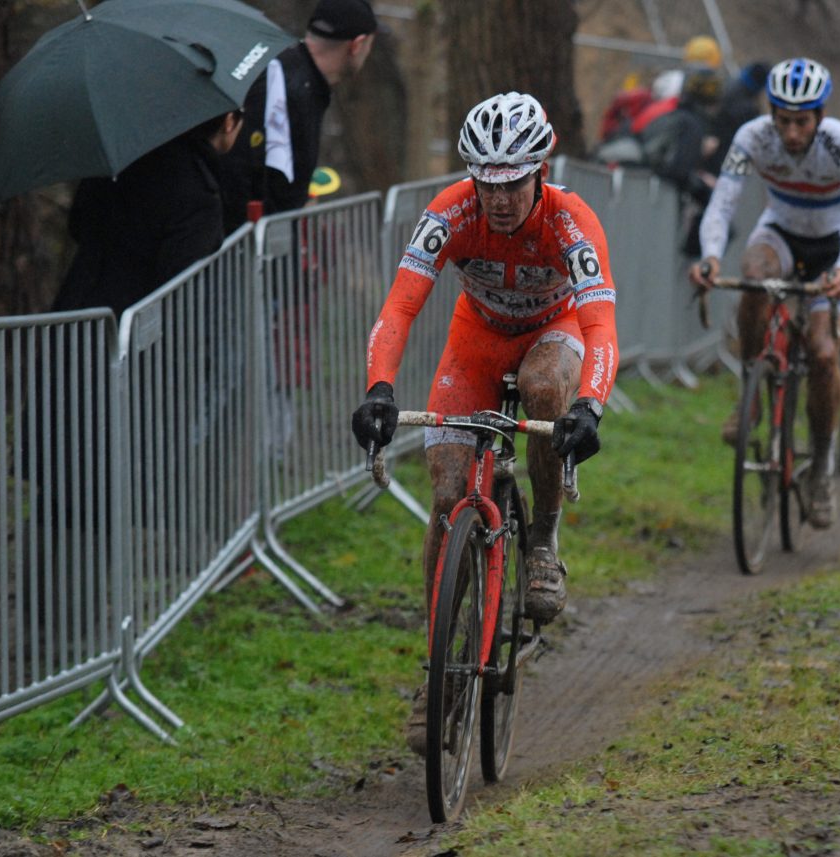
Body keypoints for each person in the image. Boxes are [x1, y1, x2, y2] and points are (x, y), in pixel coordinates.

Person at [350, 92, 619, 754]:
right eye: (487, 181)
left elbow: (600, 324)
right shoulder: (451, 212)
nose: (498, 198)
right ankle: (438, 668)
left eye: (513, 182)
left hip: (551, 334)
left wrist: (591, 403)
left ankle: (544, 542)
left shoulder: (571, 221)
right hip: (476, 337)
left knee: (542, 388)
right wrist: (379, 387)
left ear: (541, 171)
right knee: (447, 493)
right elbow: (400, 305)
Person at [689, 58, 840, 528]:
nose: (792, 133)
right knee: (753, 273)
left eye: (802, 121)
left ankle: (822, 470)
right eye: (783, 120)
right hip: (781, 236)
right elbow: (723, 203)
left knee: (824, 354)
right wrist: (711, 255)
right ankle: (750, 393)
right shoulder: (753, 136)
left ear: (820, 115)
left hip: (834, 247)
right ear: (771, 112)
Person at [53, 109, 245, 315]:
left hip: (75, 314)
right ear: (229, 122)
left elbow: (78, 222)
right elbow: (182, 286)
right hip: (138, 330)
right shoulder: (199, 193)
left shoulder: (121, 159)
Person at [220, 0, 377, 233]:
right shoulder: (286, 84)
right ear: (357, 45)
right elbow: (250, 168)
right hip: (253, 246)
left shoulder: (297, 74)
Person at [639, 64, 724, 256]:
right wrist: (700, 183)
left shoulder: (680, 114)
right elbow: (680, 169)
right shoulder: (693, 123)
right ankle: (693, 259)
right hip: (664, 192)